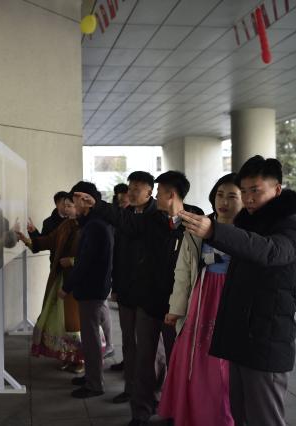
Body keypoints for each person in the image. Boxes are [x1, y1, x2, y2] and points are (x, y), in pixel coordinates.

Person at [179, 156, 296, 426]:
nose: (248, 199)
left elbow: (268, 250)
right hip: (241, 336)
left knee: (264, 417)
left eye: (255, 191)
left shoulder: (290, 228)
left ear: (277, 190)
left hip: (265, 338)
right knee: (240, 413)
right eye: (245, 191)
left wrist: (216, 230)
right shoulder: (249, 223)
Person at [75, 171, 204, 425]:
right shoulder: (152, 219)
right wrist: (98, 205)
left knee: (176, 362)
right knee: (144, 362)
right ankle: (141, 412)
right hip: (149, 302)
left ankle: (174, 411)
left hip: (178, 307)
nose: (155, 196)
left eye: (159, 191)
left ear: (171, 194)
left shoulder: (195, 219)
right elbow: (124, 220)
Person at [158, 173, 243, 426]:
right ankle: (193, 414)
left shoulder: (250, 233)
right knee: (194, 360)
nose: (224, 201)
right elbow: (183, 272)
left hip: (230, 300)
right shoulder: (197, 228)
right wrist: (176, 308)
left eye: (231, 196)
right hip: (202, 297)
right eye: (219, 194)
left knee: (224, 367)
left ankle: (223, 416)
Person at [16, 195, 84, 372]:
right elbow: (48, 240)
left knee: (75, 322)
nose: (68, 209)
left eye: (72, 205)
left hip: (78, 281)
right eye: (66, 205)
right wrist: (27, 239)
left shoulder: (89, 227)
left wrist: (73, 261)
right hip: (60, 278)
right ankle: (69, 355)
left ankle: (82, 359)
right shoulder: (66, 225)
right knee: (61, 321)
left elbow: (95, 256)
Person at [60, 181, 114, 399]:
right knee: (90, 338)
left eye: (74, 200)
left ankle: (94, 384)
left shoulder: (95, 225)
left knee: (91, 340)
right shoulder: (95, 222)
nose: (71, 205)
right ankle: (92, 376)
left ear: (85, 200)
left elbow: (85, 262)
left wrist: (67, 287)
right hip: (95, 288)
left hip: (92, 289)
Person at [109, 171, 157, 405]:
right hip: (126, 291)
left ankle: (154, 391)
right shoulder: (125, 216)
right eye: (130, 187)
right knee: (129, 343)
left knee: (149, 348)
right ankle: (130, 388)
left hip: (149, 294)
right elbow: (118, 255)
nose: (132, 192)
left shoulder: (157, 216)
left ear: (150, 191)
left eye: (138, 187)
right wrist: (115, 286)